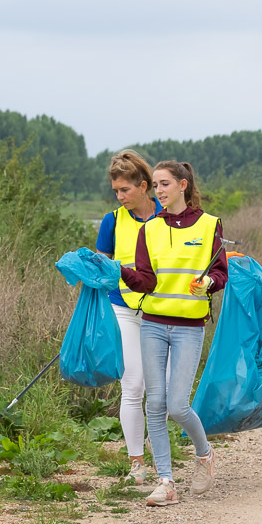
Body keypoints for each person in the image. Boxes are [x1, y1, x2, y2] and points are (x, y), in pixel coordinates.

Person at [119, 161, 228, 507]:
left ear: (183, 185)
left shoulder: (210, 225)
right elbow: (146, 280)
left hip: (189, 328)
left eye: (165, 184)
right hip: (152, 323)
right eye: (156, 185)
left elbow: (221, 272)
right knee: (155, 404)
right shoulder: (148, 229)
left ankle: (204, 455)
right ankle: (165, 482)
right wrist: (116, 272)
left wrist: (209, 283)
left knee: (179, 405)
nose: (159, 191)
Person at [95, 150, 163, 486]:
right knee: (133, 384)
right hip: (122, 308)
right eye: (116, 191)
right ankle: (136, 463)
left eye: (125, 190)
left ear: (144, 186)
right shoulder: (111, 221)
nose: (120, 197)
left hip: (160, 310)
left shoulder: (168, 217)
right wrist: (87, 265)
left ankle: (159, 452)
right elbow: (101, 265)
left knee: (158, 389)